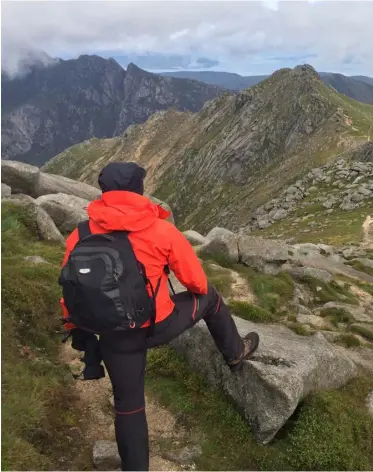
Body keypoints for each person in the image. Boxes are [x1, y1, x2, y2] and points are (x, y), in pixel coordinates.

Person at [60, 162, 260, 471]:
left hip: (113, 334)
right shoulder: (161, 230)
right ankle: (235, 352)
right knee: (210, 297)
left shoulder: (81, 233)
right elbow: (197, 282)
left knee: (128, 406)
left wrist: (77, 327)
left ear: (104, 191)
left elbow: (70, 289)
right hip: (157, 325)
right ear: (139, 190)